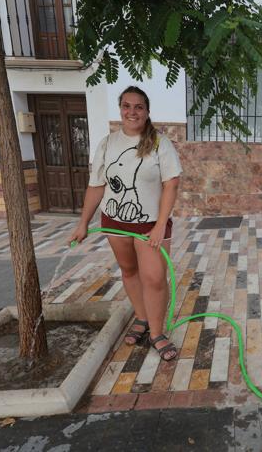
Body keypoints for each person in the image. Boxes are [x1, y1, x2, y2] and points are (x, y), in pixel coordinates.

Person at [69, 86, 182, 361]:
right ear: (120, 109)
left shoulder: (159, 143)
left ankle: (157, 333)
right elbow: (96, 185)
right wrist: (83, 223)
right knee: (129, 271)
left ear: (147, 111)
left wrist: (159, 226)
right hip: (114, 221)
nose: (132, 112)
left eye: (138, 107)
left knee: (154, 278)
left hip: (149, 225)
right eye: (127, 106)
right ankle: (141, 319)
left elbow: (171, 184)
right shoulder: (108, 143)